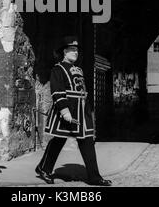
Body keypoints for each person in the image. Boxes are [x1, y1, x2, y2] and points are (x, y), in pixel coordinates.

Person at [35, 36, 112, 186]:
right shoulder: (58, 69)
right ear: (65, 51)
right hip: (67, 109)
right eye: (72, 50)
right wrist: (65, 112)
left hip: (82, 110)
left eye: (77, 50)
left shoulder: (79, 70)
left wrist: (88, 111)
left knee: (87, 141)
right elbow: (57, 91)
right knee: (59, 139)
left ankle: (94, 177)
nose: (75, 53)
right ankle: (44, 169)